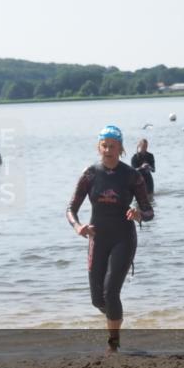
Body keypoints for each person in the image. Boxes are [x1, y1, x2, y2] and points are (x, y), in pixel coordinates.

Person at [66, 125, 154, 353]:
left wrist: (138, 215)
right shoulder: (90, 174)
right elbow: (70, 208)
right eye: (104, 145)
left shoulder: (132, 176)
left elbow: (149, 211)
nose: (108, 150)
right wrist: (78, 226)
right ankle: (116, 319)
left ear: (121, 148)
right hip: (97, 239)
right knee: (98, 299)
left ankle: (113, 344)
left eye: (113, 146)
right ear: (98, 147)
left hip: (123, 238)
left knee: (110, 291)